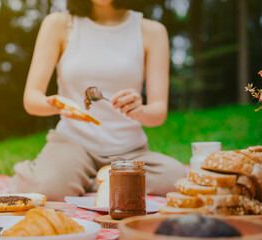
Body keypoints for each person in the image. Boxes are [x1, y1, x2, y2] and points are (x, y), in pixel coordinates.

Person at [10, 0, 187, 201]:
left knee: (174, 177)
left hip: (129, 152)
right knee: (47, 188)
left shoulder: (152, 31)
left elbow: (158, 112)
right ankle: (98, 180)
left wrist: (139, 110)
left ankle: (84, 181)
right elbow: (31, 99)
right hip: (72, 144)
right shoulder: (59, 24)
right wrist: (56, 104)